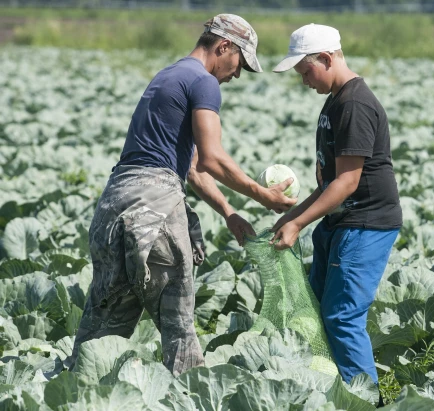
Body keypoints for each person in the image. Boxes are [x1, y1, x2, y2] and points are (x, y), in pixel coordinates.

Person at [68, 14, 296, 376]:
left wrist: (228, 211)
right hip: (154, 208)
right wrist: (262, 196)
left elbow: (190, 167)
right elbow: (212, 157)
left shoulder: (168, 76)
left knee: (101, 328)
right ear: (224, 47)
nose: (237, 74)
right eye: (240, 63)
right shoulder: (204, 82)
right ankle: (192, 394)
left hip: (112, 207)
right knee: (179, 332)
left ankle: (70, 391)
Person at [270, 24, 403, 389]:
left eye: (305, 71)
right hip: (341, 222)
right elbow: (328, 185)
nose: (304, 82)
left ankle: (366, 397)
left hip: (366, 224)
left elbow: (347, 183)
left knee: (342, 317)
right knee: (320, 310)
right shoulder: (336, 101)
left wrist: (297, 226)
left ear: (327, 59)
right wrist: (292, 216)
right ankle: (334, 389)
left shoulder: (355, 104)